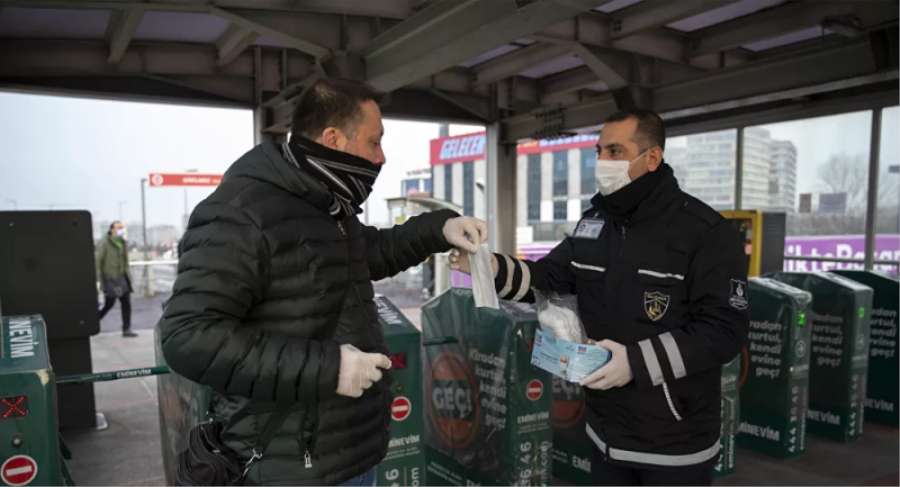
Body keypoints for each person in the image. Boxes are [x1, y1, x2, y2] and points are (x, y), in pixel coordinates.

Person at [159, 77, 487, 486]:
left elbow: (372, 252)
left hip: (351, 454)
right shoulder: (240, 213)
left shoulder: (323, 207)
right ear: (333, 139)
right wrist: (329, 368)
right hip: (292, 465)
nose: (382, 158)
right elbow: (188, 336)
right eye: (374, 141)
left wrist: (441, 229)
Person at [450, 109, 749, 486]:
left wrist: (634, 362)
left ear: (652, 158)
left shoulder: (705, 233)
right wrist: (485, 265)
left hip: (675, 444)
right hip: (605, 434)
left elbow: (725, 330)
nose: (602, 163)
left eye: (615, 151)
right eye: (598, 152)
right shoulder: (594, 224)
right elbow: (546, 278)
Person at [96, 220, 136, 337]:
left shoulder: (123, 243)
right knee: (109, 304)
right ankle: (94, 321)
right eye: (118, 228)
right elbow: (98, 262)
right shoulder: (105, 243)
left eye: (122, 228)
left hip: (123, 277)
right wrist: (101, 281)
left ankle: (127, 328)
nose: (121, 230)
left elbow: (125, 261)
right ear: (112, 229)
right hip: (111, 278)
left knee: (126, 303)